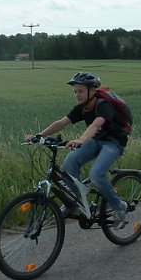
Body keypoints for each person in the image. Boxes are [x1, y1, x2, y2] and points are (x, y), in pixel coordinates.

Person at [26, 71, 130, 227]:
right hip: (96, 140)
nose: (77, 94)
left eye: (80, 91)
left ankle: (119, 207)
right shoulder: (82, 108)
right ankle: (73, 203)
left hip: (113, 142)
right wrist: (38, 135)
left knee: (96, 175)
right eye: (75, 91)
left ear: (93, 90)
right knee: (70, 162)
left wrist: (81, 140)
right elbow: (61, 123)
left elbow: (96, 125)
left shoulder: (104, 105)